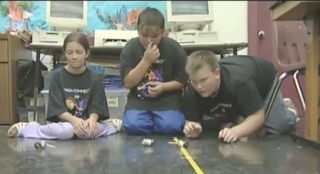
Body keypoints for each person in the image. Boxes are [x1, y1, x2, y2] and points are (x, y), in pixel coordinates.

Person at [7, 32, 122, 140]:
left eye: (79, 52)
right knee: (66, 131)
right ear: (64, 53)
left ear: (86, 53)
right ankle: (30, 129)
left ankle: (109, 126)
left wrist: (92, 120)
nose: (74, 57)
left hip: (85, 123)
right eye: (70, 52)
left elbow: (96, 106)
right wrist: (74, 121)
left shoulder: (94, 78)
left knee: (88, 132)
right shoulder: (57, 76)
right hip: (64, 123)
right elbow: (57, 109)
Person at [182, 51, 298, 143]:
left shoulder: (239, 81)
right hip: (237, 93)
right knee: (212, 126)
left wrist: (236, 132)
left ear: (216, 73)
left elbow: (258, 116)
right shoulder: (192, 88)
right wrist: (193, 129)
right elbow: (192, 121)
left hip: (262, 80)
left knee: (277, 126)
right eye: (194, 81)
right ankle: (244, 113)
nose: (199, 87)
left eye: (203, 81)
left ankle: (288, 110)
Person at [119, 7, 188, 135]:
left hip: (168, 101)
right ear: (138, 31)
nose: (149, 40)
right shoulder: (131, 48)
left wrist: (163, 87)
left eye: (155, 36)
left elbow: (183, 80)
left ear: (163, 32)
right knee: (133, 126)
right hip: (139, 101)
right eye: (144, 35)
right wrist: (146, 61)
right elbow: (128, 83)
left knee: (171, 126)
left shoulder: (173, 48)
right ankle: (151, 123)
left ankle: (155, 123)